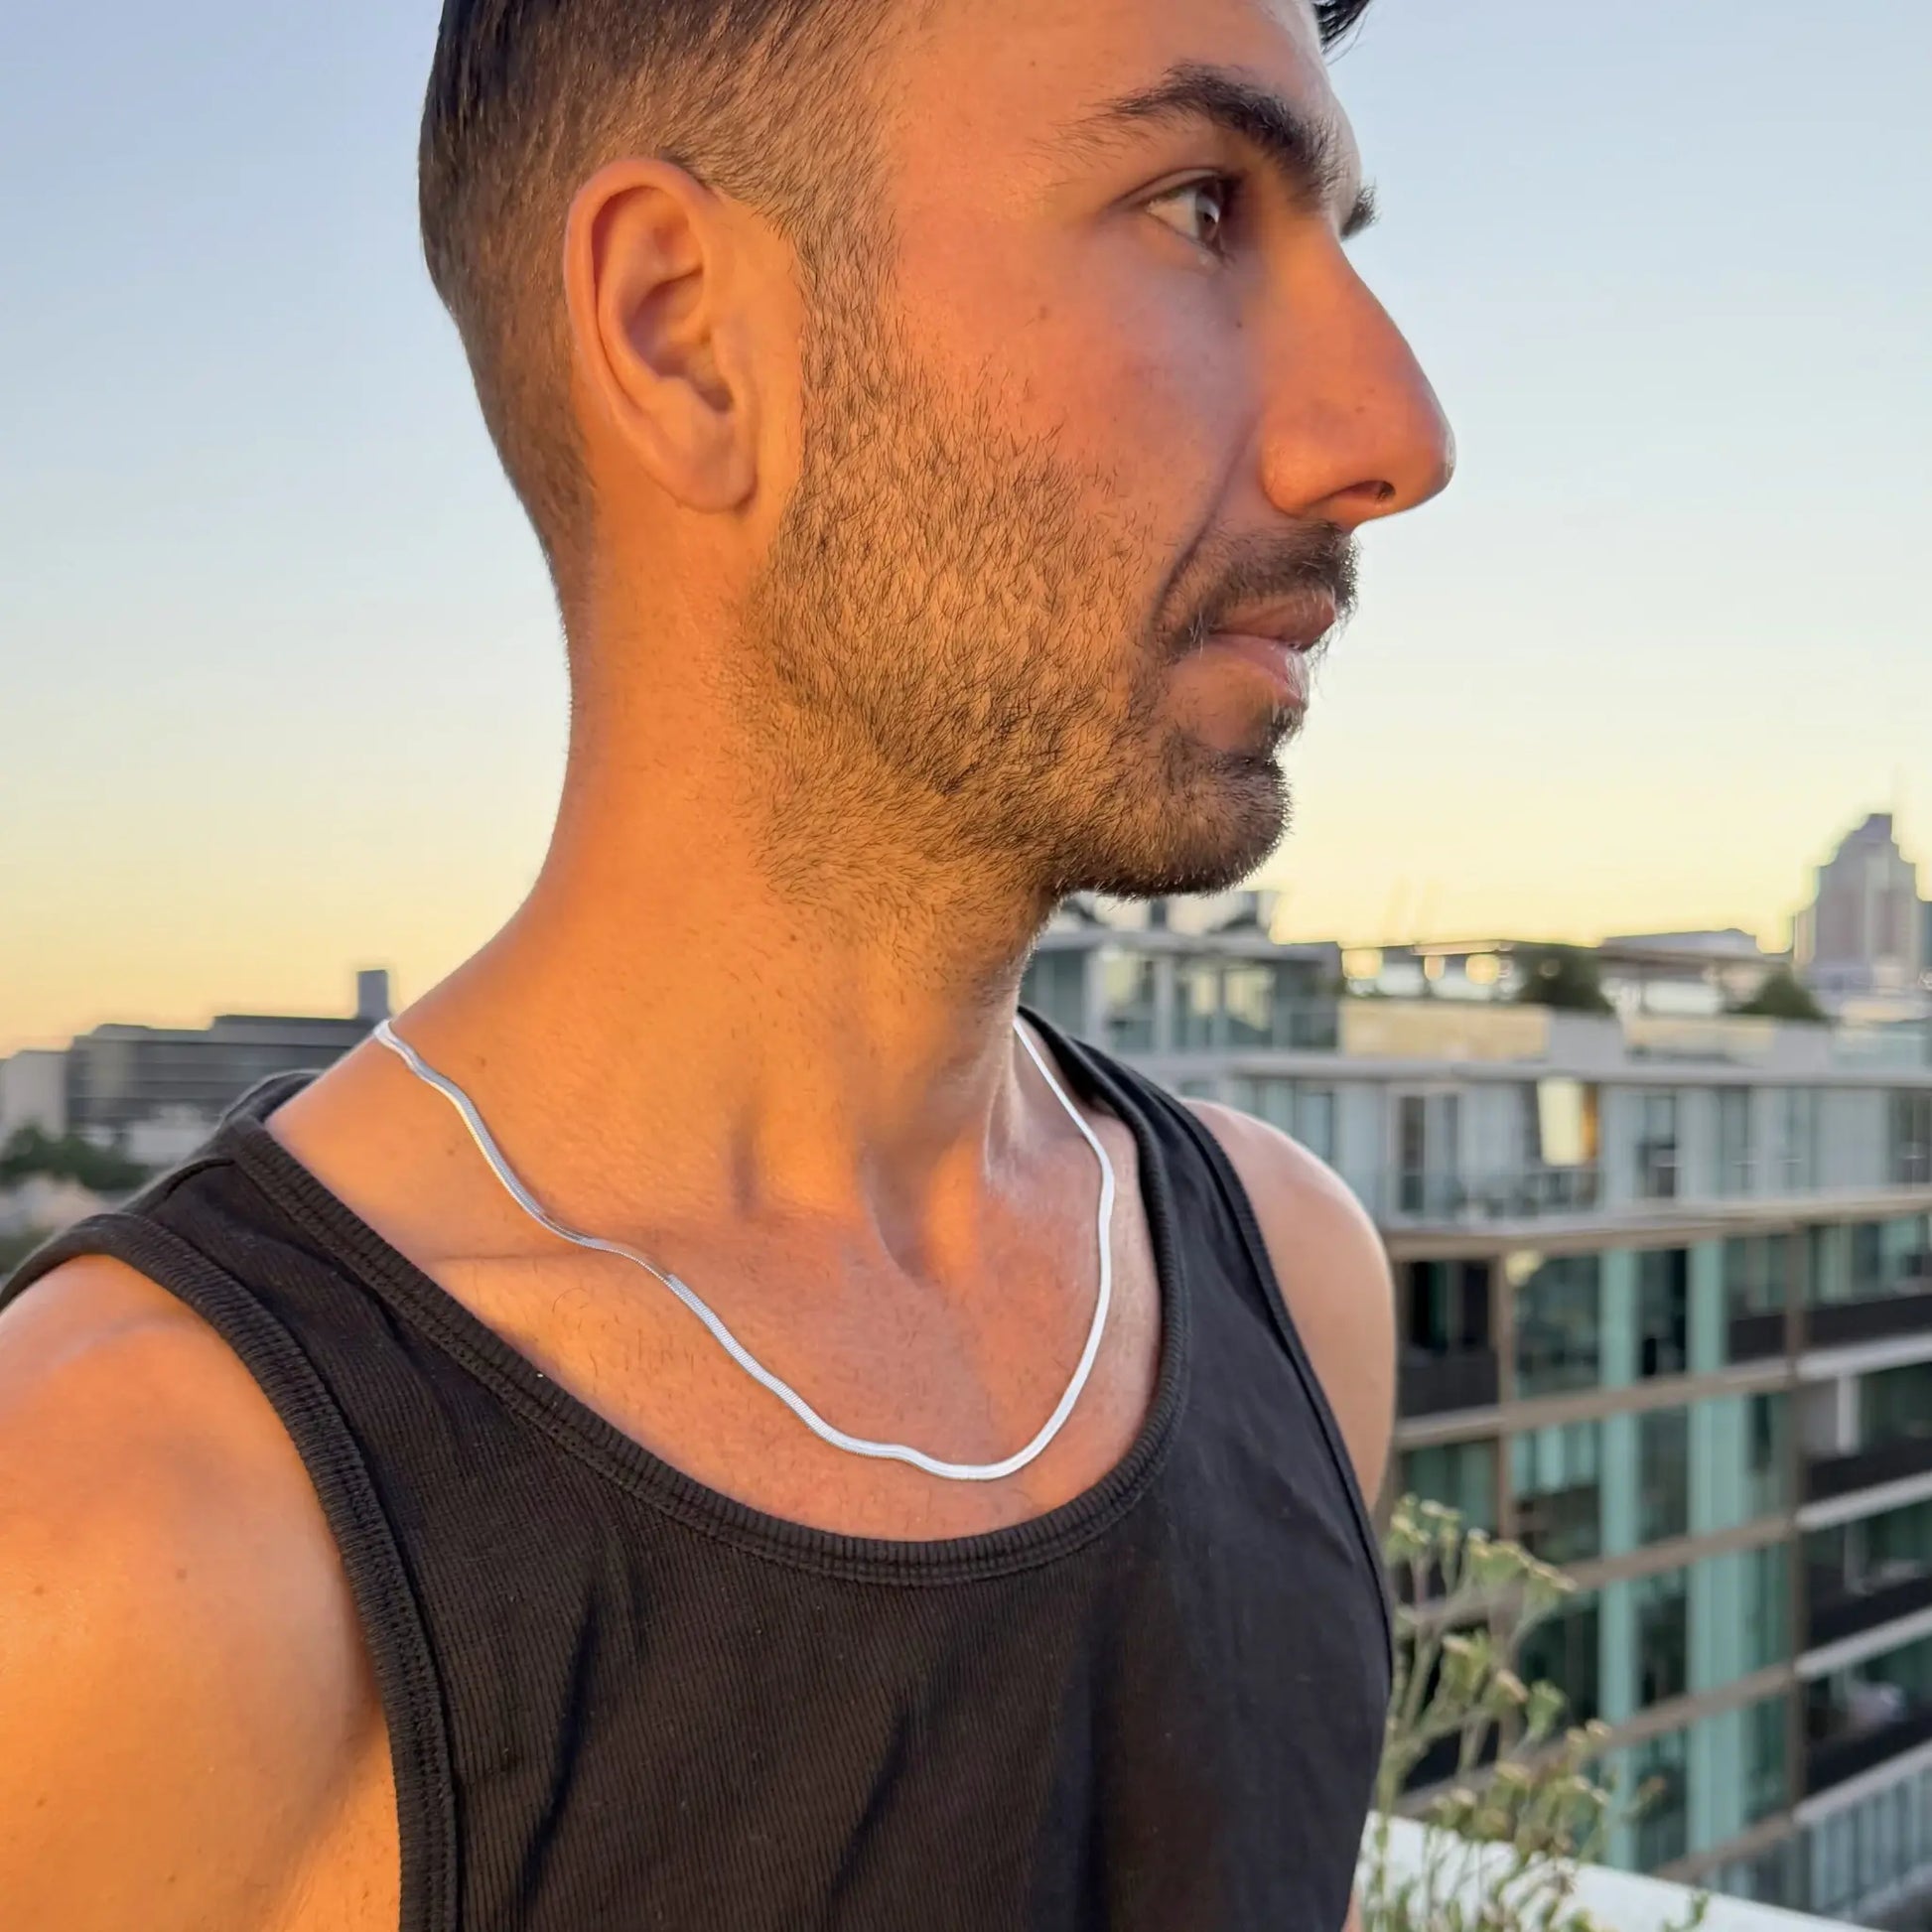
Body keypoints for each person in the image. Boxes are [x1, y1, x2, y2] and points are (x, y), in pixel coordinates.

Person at [0, 0, 1452, 1923]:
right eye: (1197, 208)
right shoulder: (130, 1544)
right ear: (684, 331)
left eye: (1341, 236)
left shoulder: (1294, 1296)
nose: (1396, 437)